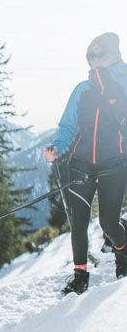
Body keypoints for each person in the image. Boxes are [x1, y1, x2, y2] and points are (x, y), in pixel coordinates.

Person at [45, 32, 127, 294]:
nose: (95, 60)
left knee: (108, 223)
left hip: (114, 164)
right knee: (78, 223)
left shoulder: (124, 86)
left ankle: (122, 251)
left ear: (116, 55)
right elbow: (68, 126)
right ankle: (80, 275)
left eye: (101, 54)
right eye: (91, 56)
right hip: (80, 163)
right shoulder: (82, 89)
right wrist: (57, 146)